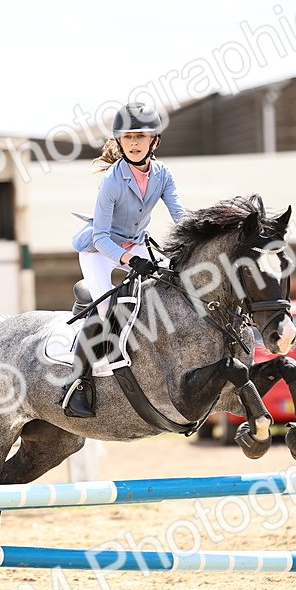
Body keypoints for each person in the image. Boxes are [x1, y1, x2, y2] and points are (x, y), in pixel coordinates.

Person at [61, 102, 186, 418]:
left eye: (140, 137)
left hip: (136, 245)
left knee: (172, 287)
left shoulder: (163, 175)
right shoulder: (112, 181)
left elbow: (179, 216)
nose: (133, 143)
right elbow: (101, 237)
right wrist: (130, 260)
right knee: (106, 315)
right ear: (119, 142)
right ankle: (75, 385)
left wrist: (201, 235)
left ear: (153, 141)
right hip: (99, 251)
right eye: (127, 137)